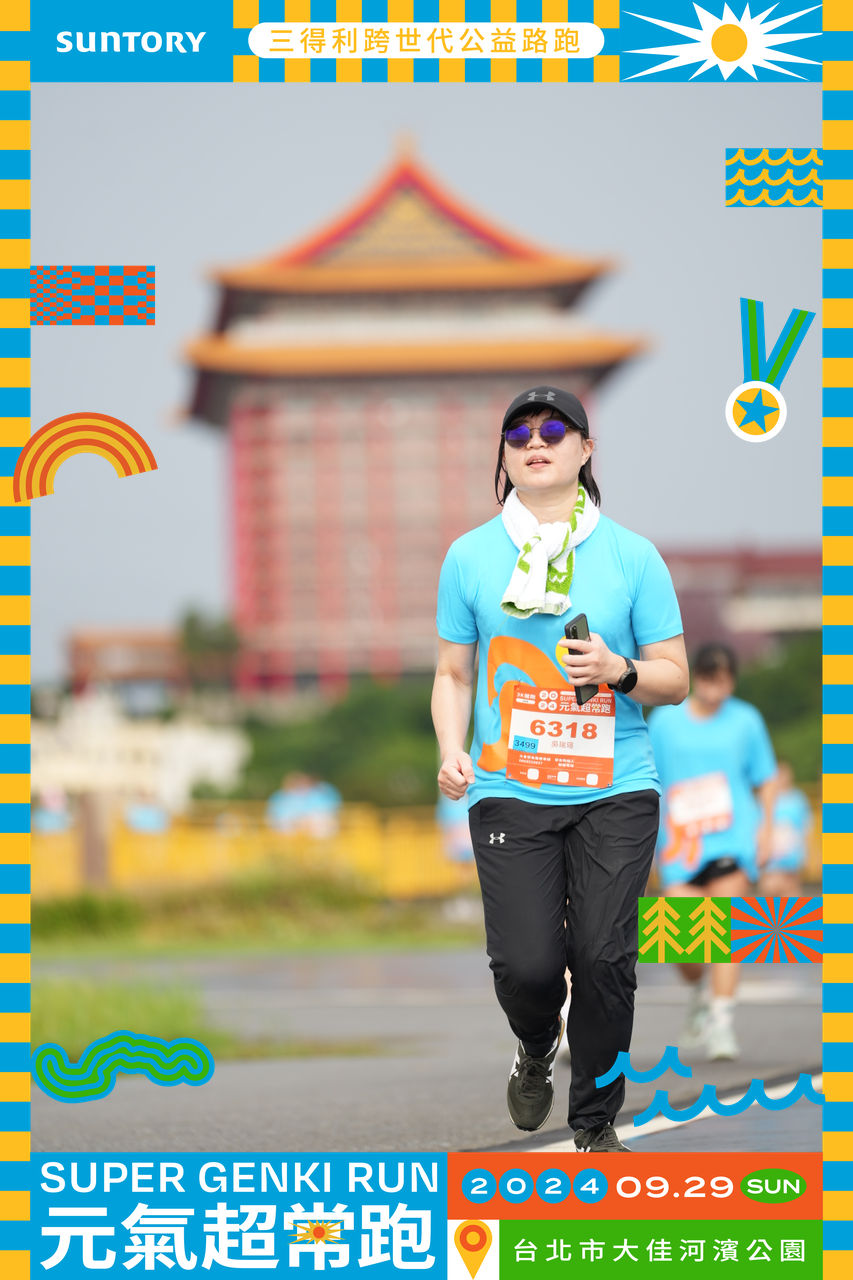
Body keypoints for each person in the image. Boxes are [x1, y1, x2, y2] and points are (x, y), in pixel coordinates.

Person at [432, 385, 688, 1153]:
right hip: (509, 788)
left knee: (603, 956)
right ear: (505, 456)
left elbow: (673, 677)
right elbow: (452, 673)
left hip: (616, 786)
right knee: (528, 966)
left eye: (552, 429)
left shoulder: (632, 556)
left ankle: (595, 1124)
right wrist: (449, 745)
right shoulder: (469, 557)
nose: (534, 442)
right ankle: (536, 1040)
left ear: (585, 449)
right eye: (518, 434)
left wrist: (618, 669)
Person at [648, 643, 776, 1061]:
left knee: (725, 930)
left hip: (732, 838)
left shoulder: (746, 720)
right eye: (708, 678)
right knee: (681, 945)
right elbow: (647, 777)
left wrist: (766, 830)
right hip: (680, 845)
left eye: (723, 680)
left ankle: (722, 1024)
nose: (715, 688)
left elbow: (766, 778)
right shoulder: (665, 721)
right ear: (696, 676)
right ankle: (699, 990)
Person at [760, 760, 813, 898]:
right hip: (771, 856)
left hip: (791, 855)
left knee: (791, 893)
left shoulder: (798, 799)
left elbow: (805, 827)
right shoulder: (766, 798)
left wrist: (806, 853)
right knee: (770, 890)